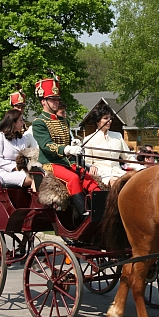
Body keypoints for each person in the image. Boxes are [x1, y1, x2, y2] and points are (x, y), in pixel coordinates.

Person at [32, 77, 100, 219]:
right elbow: (47, 145)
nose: (56, 102)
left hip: (65, 162)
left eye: (57, 99)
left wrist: (73, 143)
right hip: (50, 163)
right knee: (73, 179)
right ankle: (82, 213)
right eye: (53, 99)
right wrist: (67, 150)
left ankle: (100, 208)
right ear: (43, 101)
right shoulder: (39, 123)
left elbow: (66, 140)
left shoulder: (63, 121)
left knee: (87, 177)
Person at [83, 103, 135, 187]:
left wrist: (142, 168)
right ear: (97, 121)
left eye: (110, 118)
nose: (109, 121)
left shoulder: (118, 136)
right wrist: (91, 166)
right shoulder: (89, 139)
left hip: (119, 172)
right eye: (105, 118)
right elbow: (87, 162)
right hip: (102, 174)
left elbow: (128, 158)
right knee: (116, 182)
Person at [0, 109, 37, 187]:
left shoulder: (22, 139)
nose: (23, 123)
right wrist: (14, 167)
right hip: (3, 172)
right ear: (13, 122)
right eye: (21, 120)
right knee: (34, 179)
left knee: (42, 176)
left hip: (22, 170)